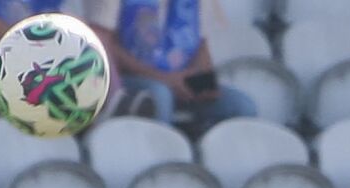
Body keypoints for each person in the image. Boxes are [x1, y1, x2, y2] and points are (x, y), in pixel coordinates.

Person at [85, 0, 256, 133]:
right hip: (127, 78)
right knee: (161, 94)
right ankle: (161, 161)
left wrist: (204, 81)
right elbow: (103, 43)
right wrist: (165, 80)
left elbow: (201, 45)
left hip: (178, 79)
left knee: (241, 105)